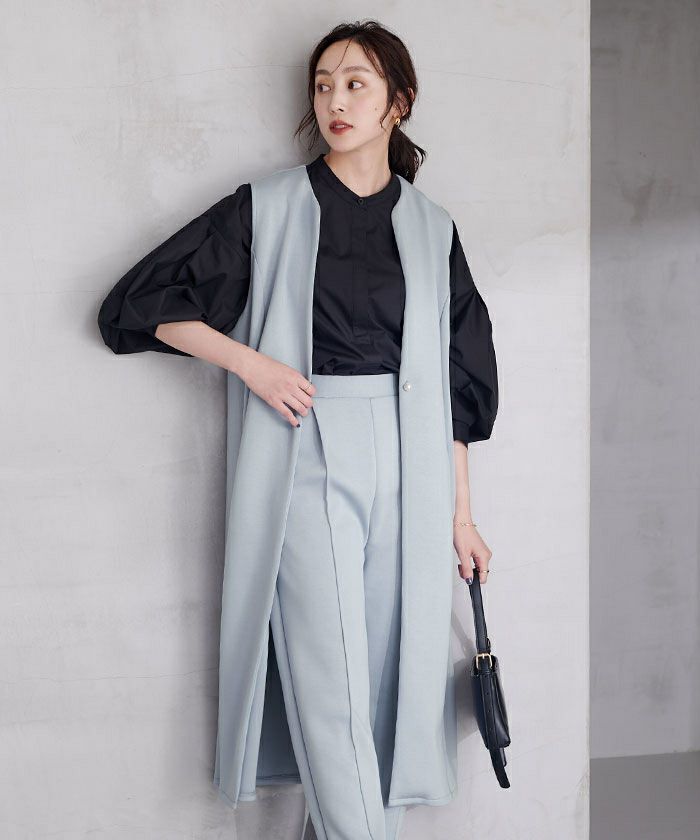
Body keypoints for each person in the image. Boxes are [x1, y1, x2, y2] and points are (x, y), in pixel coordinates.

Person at [98, 19, 498, 840]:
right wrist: (251, 364)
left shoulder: (433, 228)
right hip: (308, 448)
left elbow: (461, 385)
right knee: (332, 683)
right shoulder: (268, 207)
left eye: (355, 84)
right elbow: (136, 305)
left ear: (399, 103)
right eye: (323, 85)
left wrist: (461, 515)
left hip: (412, 467)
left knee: (382, 693)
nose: (334, 101)